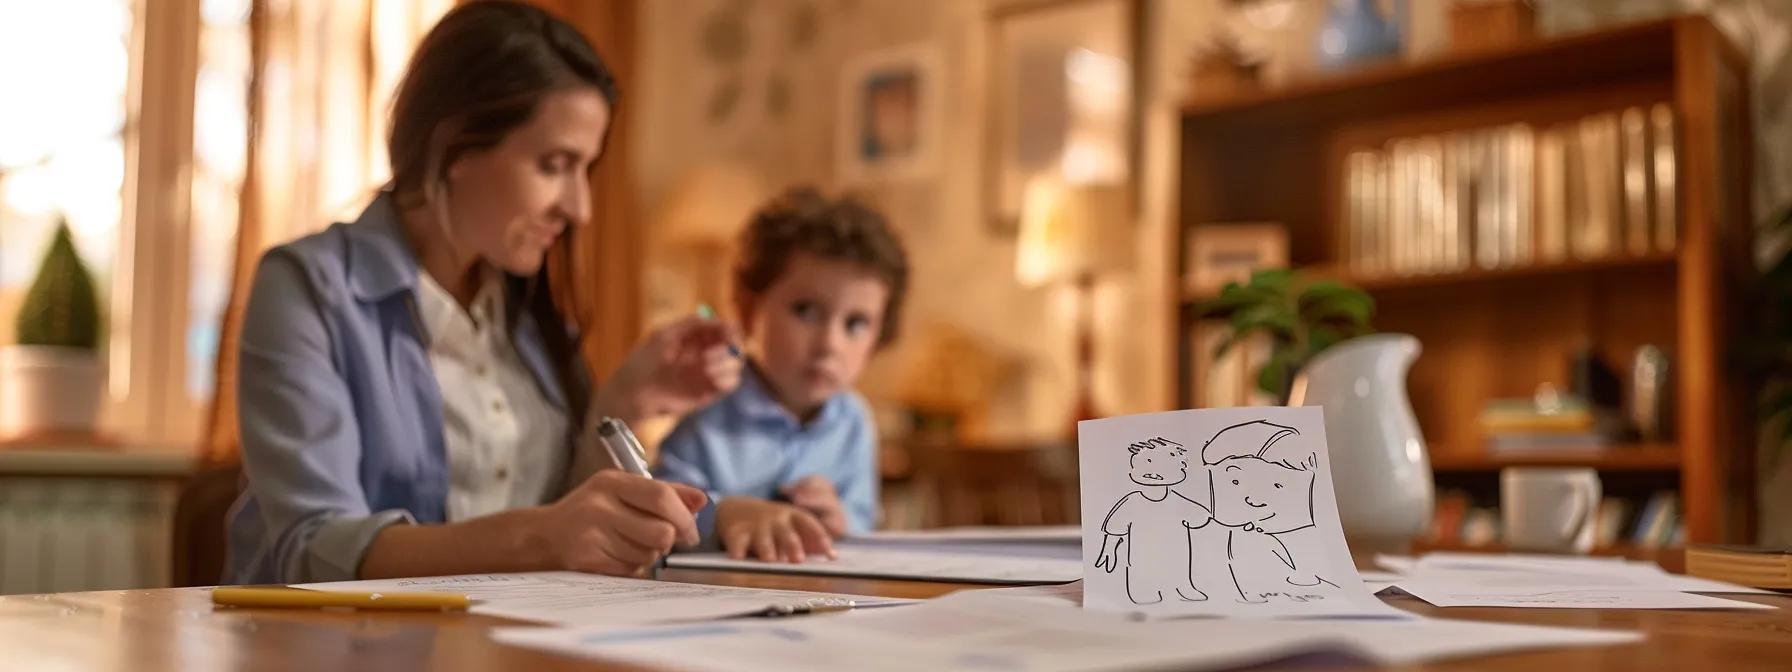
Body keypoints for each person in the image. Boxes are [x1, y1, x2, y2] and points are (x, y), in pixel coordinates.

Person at [225, 1, 742, 585]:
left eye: (585, 170)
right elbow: (313, 546)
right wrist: (539, 536)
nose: (580, 208)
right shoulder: (308, 289)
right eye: (554, 164)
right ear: (457, 147)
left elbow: (568, 520)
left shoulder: (524, 315)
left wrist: (623, 400)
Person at [654, 188, 909, 563]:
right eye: (806, 311)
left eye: (856, 323)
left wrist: (840, 520)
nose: (830, 343)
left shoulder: (854, 422)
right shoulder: (710, 407)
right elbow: (661, 508)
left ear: (879, 337)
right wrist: (724, 514)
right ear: (748, 308)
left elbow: (861, 518)